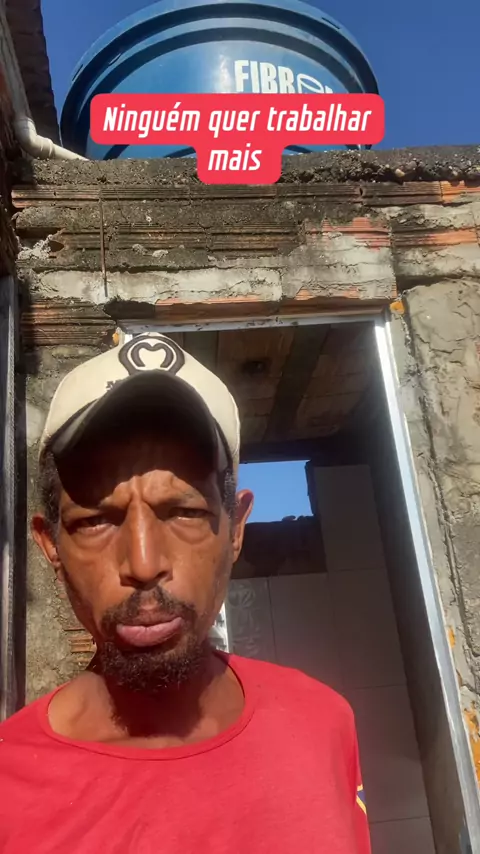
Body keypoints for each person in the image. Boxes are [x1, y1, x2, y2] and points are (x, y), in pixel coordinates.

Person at [0, 332, 371, 854]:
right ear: (51, 546)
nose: (143, 564)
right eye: (96, 521)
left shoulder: (323, 722)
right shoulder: (9, 791)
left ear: (236, 529)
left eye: (184, 513)